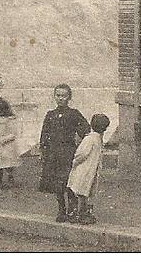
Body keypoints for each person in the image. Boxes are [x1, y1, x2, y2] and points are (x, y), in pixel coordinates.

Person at [38, 83, 90, 222]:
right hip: (53, 154)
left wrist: (80, 144)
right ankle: (61, 210)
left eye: (64, 96)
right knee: (57, 184)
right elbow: (44, 134)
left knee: (69, 182)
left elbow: (85, 130)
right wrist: (43, 150)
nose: (60, 98)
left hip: (68, 153)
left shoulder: (73, 114)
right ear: (54, 97)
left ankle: (72, 211)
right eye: (58, 95)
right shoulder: (50, 115)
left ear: (69, 97)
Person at [66, 113, 109, 224]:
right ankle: (80, 214)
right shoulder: (91, 139)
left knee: (84, 192)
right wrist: (75, 162)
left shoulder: (94, 138)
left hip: (88, 170)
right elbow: (81, 154)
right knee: (82, 192)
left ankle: (82, 213)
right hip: (84, 170)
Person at [0, 115, 19, 189]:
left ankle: (10, 178)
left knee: (8, 163)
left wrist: (3, 139)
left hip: (8, 147)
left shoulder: (9, 122)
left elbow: (13, 135)